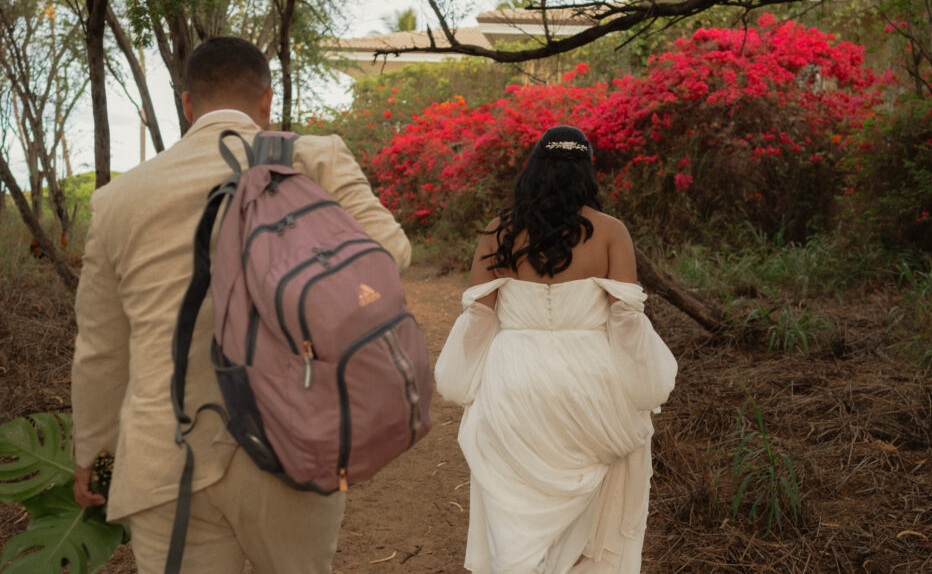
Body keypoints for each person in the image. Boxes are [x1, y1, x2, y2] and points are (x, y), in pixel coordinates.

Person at [71, 36, 411, 573]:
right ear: (266, 101)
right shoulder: (317, 160)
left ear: (187, 104)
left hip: (167, 455)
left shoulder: (118, 199)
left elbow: (101, 349)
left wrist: (93, 448)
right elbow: (389, 257)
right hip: (294, 444)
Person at [435, 125, 678, 573]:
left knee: (513, 505)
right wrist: (647, 384)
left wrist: (459, 379)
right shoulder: (610, 232)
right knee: (597, 510)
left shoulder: (499, 231)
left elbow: (480, 315)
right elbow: (626, 319)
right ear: (587, 171)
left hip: (515, 381)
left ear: (533, 169)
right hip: (589, 383)